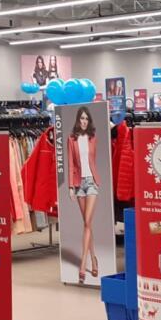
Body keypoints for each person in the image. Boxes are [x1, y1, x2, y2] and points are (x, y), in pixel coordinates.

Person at [66, 106, 101, 281]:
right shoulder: (71, 139)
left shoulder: (93, 138)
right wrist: (70, 187)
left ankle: (83, 263)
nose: (84, 121)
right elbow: (71, 164)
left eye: (87, 118)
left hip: (91, 182)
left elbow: (93, 160)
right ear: (78, 120)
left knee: (87, 222)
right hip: (79, 183)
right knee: (87, 224)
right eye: (82, 118)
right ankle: (94, 259)